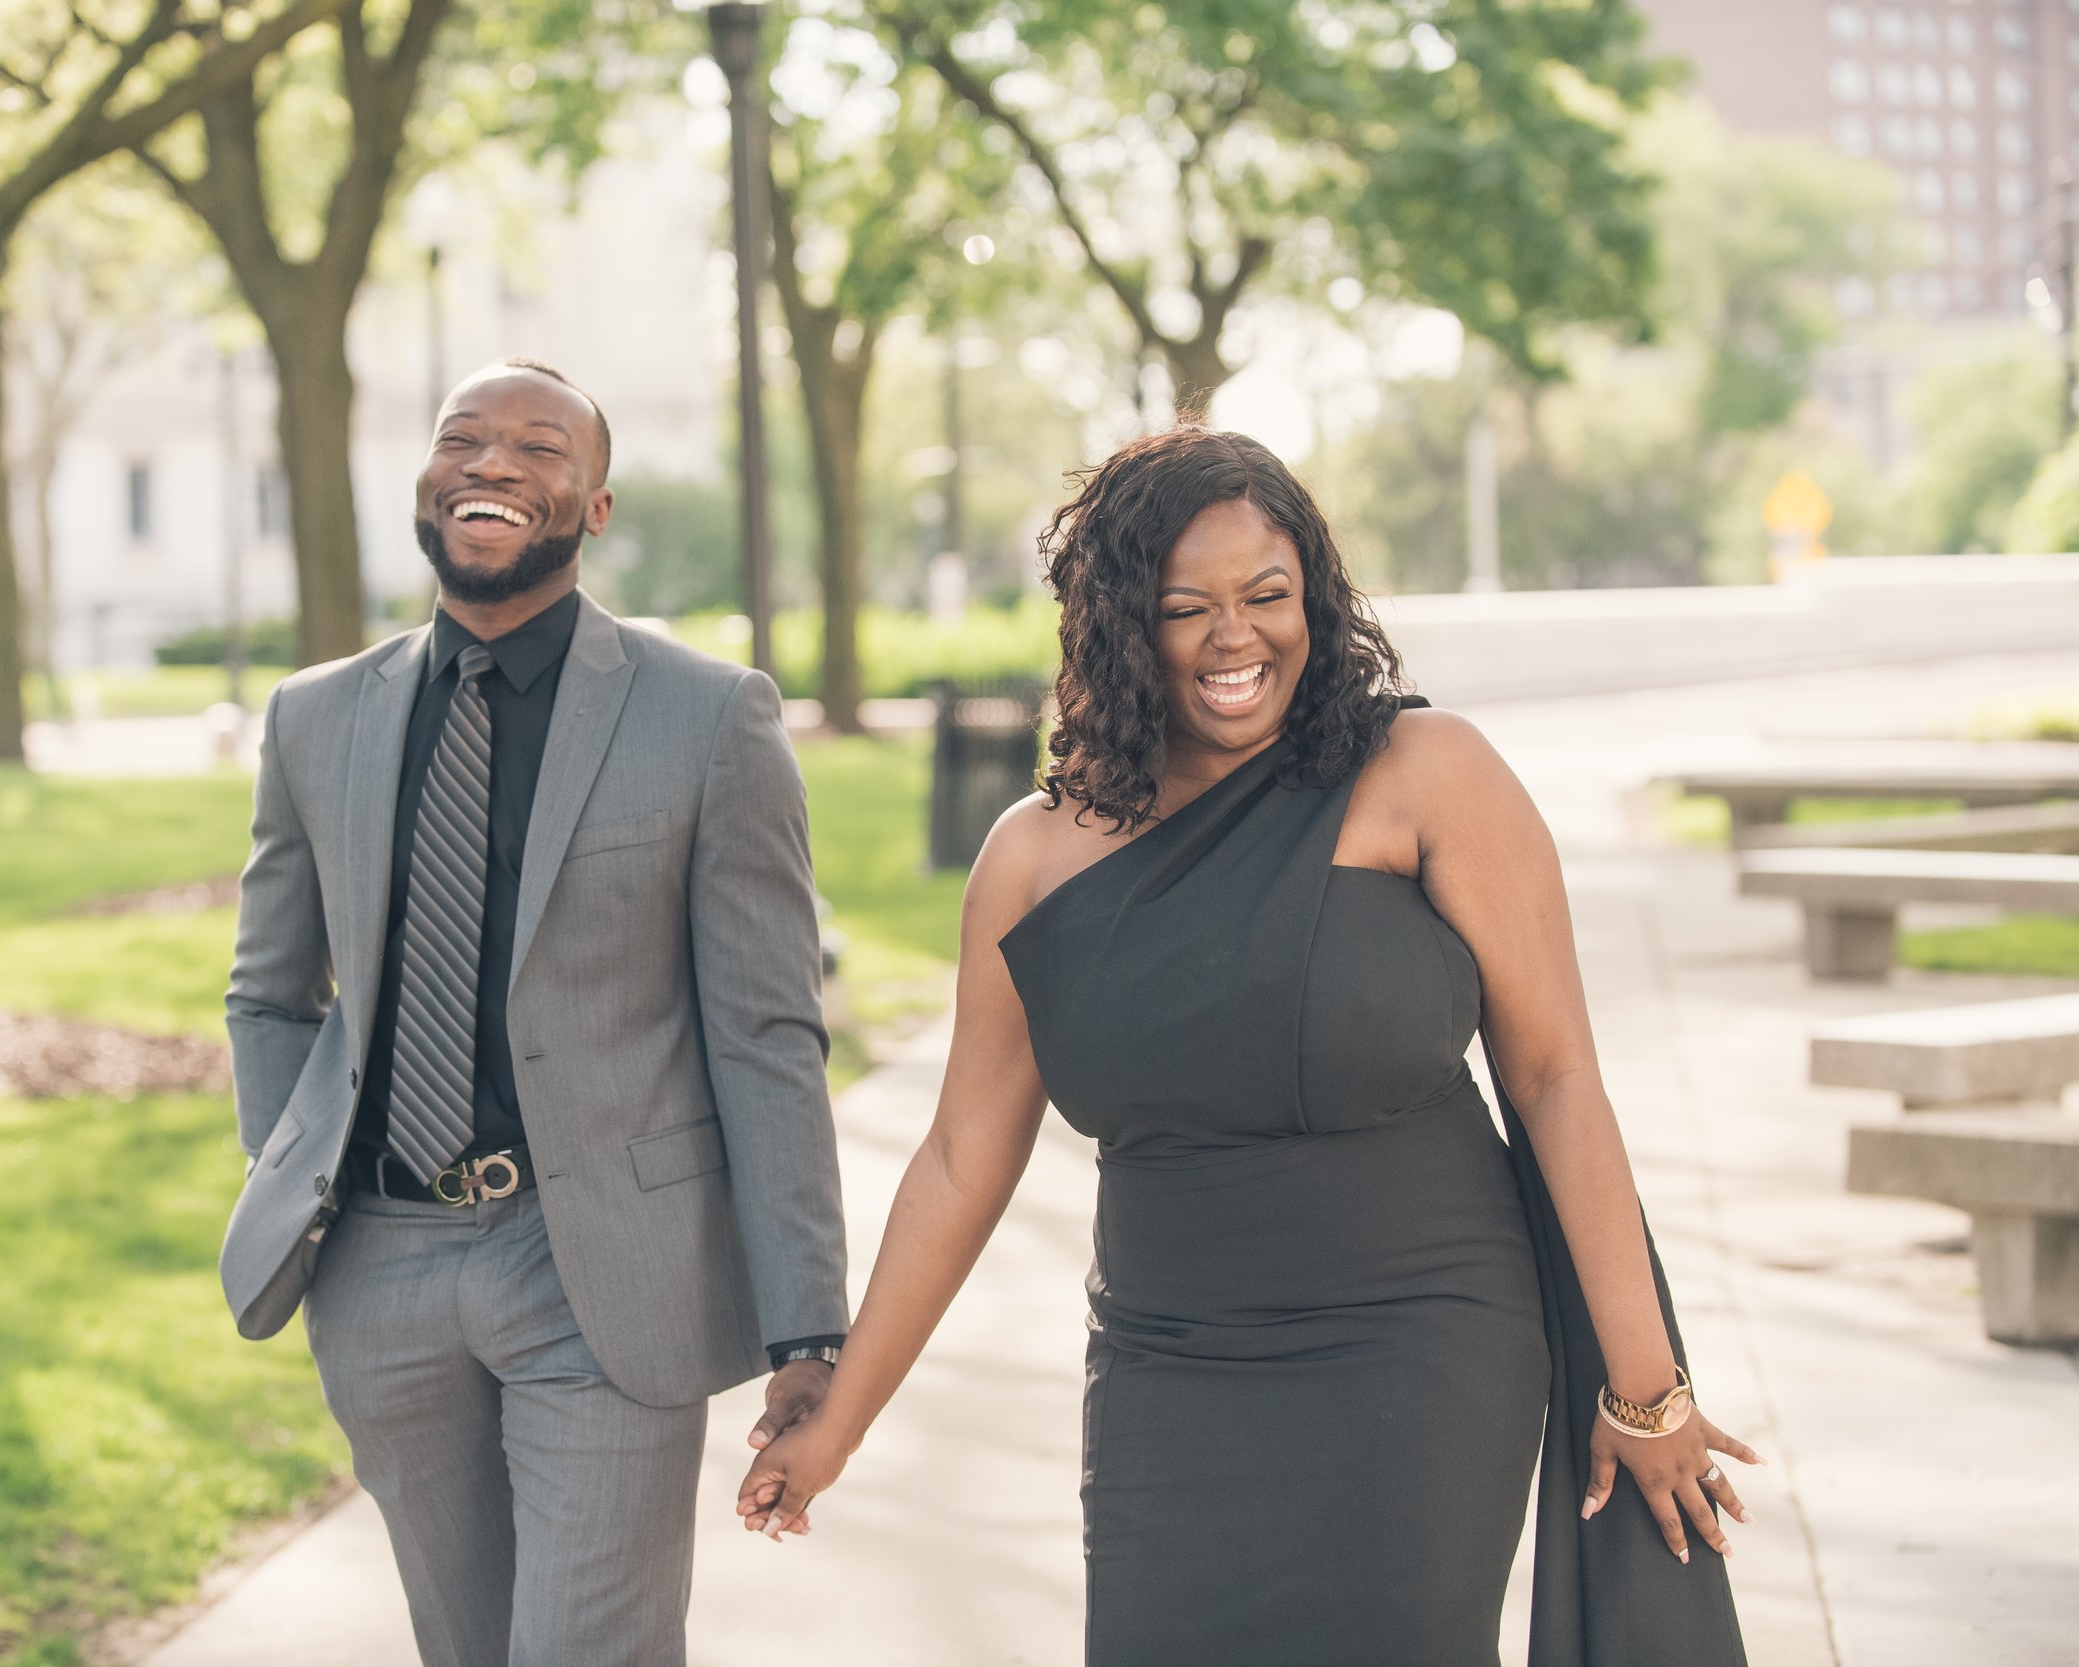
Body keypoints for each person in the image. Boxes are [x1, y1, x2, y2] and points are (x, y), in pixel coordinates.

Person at [738, 425, 1757, 1665]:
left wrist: (1646, 1390)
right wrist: (840, 1422)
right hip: (1169, 1369)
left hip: (1422, 1348)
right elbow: (960, 1157)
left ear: (1313, 601)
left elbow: (1553, 1077)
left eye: (1268, 596)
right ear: (1119, 626)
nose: (1239, 637)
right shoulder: (1032, 857)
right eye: (1188, 607)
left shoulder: (1424, 775)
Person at [219, 359, 849, 1667]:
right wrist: (308, 1191)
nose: (494, 463)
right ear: (424, 478)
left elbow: (765, 1031)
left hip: (599, 1269)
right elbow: (270, 988)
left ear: (596, 505)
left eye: (539, 447)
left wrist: (806, 1321)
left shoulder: (707, 715)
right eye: (465, 438)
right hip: (381, 1265)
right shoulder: (314, 717)